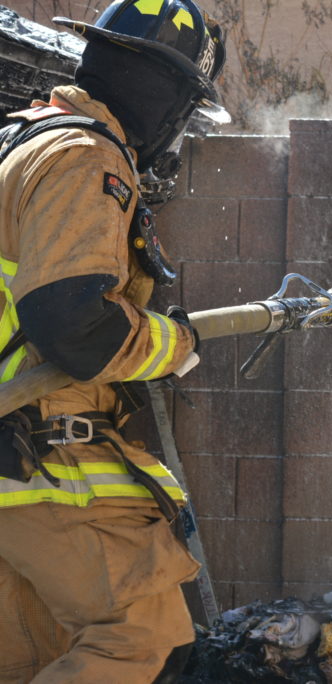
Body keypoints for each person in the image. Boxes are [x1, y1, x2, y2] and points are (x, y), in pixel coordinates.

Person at [0, 1, 228, 681]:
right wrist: (173, 343)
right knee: (143, 642)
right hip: (47, 465)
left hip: (12, 471)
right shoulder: (83, 156)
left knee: (30, 658)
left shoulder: (20, 143)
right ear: (165, 96)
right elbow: (76, 324)